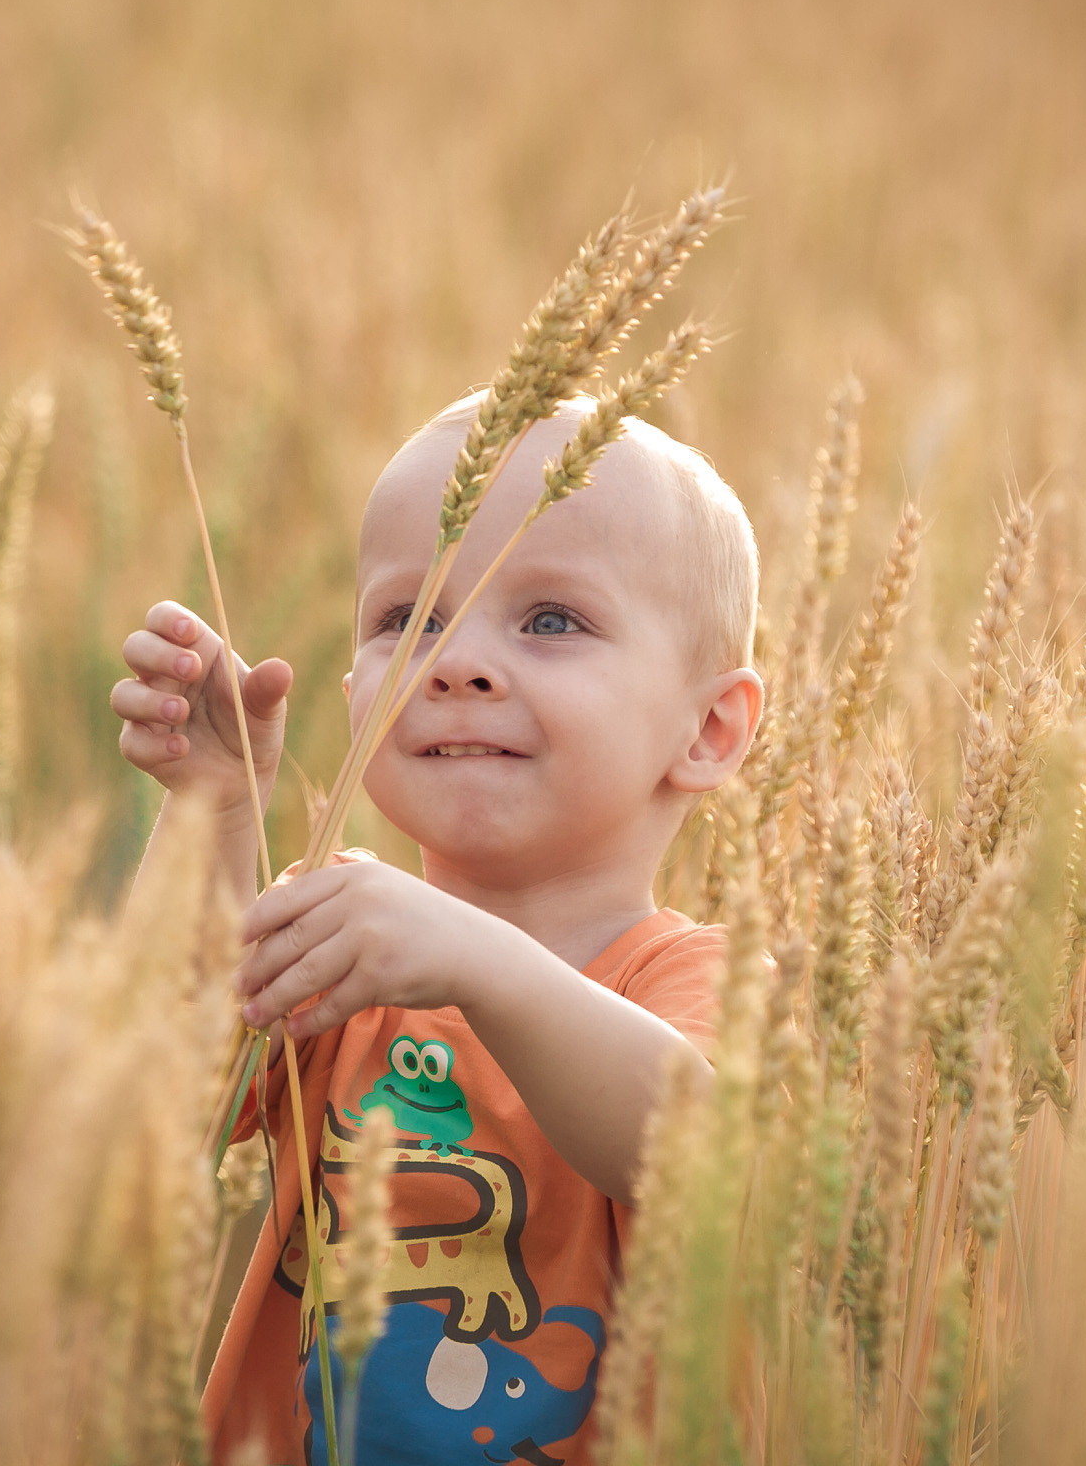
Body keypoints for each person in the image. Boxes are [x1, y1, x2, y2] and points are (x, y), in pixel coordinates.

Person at [110, 393, 763, 1465]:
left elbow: (693, 1146)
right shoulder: (338, 933)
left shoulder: (696, 980)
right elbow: (139, 1098)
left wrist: (475, 960)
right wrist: (214, 817)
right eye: (408, 620)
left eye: (552, 620)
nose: (456, 661)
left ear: (708, 728)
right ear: (352, 689)